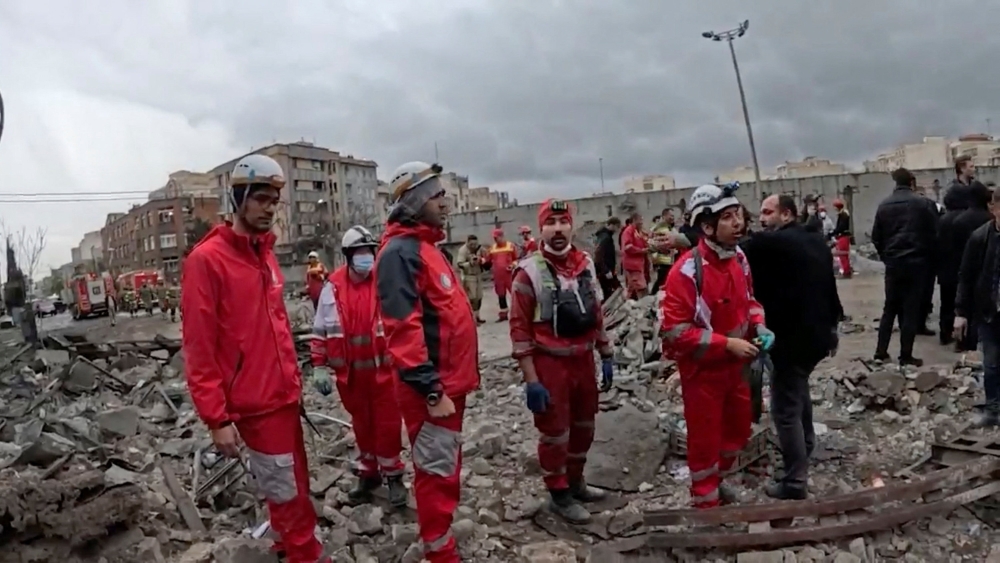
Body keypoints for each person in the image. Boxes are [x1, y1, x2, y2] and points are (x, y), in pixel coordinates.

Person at [182, 154, 327, 563]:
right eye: (261, 199)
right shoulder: (207, 261)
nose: (269, 208)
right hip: (255, 404)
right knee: (287, 492)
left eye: (274, 201)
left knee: (292, 482)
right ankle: (305, 555)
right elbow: (199, 346)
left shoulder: (264, 254)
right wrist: (216, 418)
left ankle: (286, 544)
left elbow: (275, 325)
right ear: (240, 198)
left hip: (283, 395)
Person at [376, 161, 480, 563]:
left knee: (444, 464)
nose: (445, 202)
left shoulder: (426, 249)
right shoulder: (399, 254)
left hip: (448, 384)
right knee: (435, 470)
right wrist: (431, 388)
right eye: (436, 196)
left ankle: (443, 540)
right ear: (415, 201)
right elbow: (403, 329)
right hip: (431, 389)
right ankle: (440, 551)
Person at [659, 183, 771, 509]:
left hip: (736, 369)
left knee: (736, 434)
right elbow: (675, 333)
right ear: (707, 226)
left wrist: (759, 324)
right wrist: (727, 344)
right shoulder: (687, 271)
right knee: (705, 442)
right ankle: (705, 506)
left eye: (739, 215)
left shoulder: (739, 258)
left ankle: (716, 484)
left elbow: (749, 301)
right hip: (703, 374)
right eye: (728, 217)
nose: (738, 223)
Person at [509, 199, 614, 524]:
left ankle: (575, 481)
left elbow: (596, 310)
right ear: (541, 229)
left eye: (563, 222)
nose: (557, 229)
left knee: (584, 426)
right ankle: (558, 493)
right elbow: (519, 329)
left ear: (572, 225)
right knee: (555, 434)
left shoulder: (585, 263)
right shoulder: (528, 273)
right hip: (549, 364)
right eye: (550, 223)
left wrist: (606, 352)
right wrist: (532, 381)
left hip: (583, 360)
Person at [742, 194, 842, 500]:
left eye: (767, 212)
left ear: (787, 215)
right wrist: (833, 327)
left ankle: (795, 481)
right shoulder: (814, 241)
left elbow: (738, 247)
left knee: (785, 410)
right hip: (817, 337)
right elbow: (829, 287)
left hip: (791, 339)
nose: (761, 218)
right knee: (798, 389)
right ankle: (807, 443)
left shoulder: (774, 244)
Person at [310, 225, 407, 507]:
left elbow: (401, 323)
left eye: (370, 252)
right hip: (351, 376)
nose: (367, 258)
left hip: (384, 372)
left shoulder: (383, 282)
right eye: (361, 253)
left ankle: (393, 475)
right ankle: (369, 474)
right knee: (362, 426)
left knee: (388, 426)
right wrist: (318, 365)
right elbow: (321, 330)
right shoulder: (333, 288)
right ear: (349, 256)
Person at [871, 168, 939, 367]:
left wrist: (887, 256)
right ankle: (905, 355)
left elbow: (876, 237)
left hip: (894, 264)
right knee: (910, 309)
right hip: (916, 264)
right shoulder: (923, 204)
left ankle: (880, 351)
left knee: (890, 308)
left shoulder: (884, 206)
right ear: (911, 181)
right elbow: (935, 233)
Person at [955, 186, 1000, 427]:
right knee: (991, 364)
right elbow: (967, 275)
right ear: (993, 209)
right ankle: (993, 410)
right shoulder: (980, 238)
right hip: (989, 312)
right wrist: (961, 313)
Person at [949, 184, 993, 351]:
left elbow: (950, 249)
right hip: (984, 274)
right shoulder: (988, 221)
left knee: (966, 311)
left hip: (963, 270)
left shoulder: (958, 220)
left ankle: (963, 343)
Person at [649, 208, 693, 295]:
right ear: (664, 216)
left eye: (673, 216)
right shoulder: (659, 228)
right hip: (664, 259)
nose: (673, 218)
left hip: (671, 259)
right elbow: (655, 244)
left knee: (666, 281)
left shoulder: (670, 227)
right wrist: (668, 249)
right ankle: (653, 298)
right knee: (662, 280)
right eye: (671, 216)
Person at [484, 228, 517, 321]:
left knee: (514, 293)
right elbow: (487, 260)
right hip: (498, 276)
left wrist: (512, 265)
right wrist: (481, 261)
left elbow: (516, 259)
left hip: (509, 275)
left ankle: (517, 313)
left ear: (502, 237)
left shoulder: (511, 246)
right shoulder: (492, 248)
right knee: (501, 295)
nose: (495, 239)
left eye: (497, 237)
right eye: (494, 238)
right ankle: (503, 314)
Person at [456, 234, 488, 324]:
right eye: (471, 244)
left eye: (475, 244)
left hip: (478, 274)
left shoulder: (480, 249)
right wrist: (470, 263)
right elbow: (459, 264)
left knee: (479, 296)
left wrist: (482, 260)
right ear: (468, 243)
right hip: (469, 276)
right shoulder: (463, 250)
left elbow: (487, 257)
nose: (474, 246)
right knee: (472, 297)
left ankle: (477, 316)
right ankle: (471, 318)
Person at [620, 212, 649, 299]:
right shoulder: (629, 231)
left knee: (631, 288)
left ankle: (627, 305)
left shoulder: (637, 231)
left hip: (638, 264)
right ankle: (644, 306)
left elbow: (643, 242)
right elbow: (628, 247)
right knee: (641, 288)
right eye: (640, 220)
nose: (642, 222)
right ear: (634, 220)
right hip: (633, 265)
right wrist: (642, 251)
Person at [593, 217, 622, 301]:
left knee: (610, 292)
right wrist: (606, 270)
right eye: (617, 226)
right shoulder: (605, 237)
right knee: (611, 292)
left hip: (606, 269)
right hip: (605, 270)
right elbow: (598, 253)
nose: (617, 229)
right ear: (612, 225)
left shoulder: (604, 235)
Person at [831, 199, 853, 278]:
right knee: (844, 255)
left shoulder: (843, 215)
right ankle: (846, 271)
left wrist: (833, 233)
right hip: (844, 236)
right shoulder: (844, 214)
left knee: (842, 254)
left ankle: (846, 272)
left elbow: (840, 227)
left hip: (843, 237)